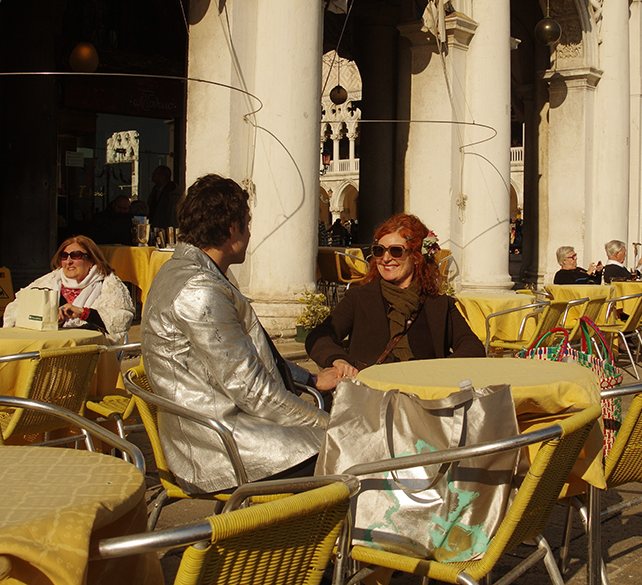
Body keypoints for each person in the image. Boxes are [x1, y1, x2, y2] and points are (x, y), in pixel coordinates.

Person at [141, 174, 332, 494]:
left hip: (220, 427)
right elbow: (253, 391)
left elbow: (248, 359)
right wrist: (329, 425)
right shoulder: (200, 289)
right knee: (361, 455)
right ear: (233, 228)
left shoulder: (182, 270)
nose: (249, 231)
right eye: (247, 222)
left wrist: (310, 380)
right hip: (220, 449)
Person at [306, 213, 484, 375]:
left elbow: (472, 346)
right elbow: (319, 336)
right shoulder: (359, 298)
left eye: (396, 251)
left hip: (424, 397)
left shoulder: (440, 304)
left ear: (416, 257)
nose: (385, 258)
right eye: (379, 250)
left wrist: (437, 373)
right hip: (372, 396)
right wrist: (338, 360)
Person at [3, 235, 134, 344]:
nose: (69, 261)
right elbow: (14, 311)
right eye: (64, 256)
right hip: (47, 348)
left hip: (90, 352)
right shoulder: (47, 282)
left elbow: (122, 319)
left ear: (91, 260)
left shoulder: (109, 284)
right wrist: (48, 318)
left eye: (76, 255)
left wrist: (84, 313)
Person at [146, 165, 179, 231]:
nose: (153, 175)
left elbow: (172, 217)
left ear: (163, 176)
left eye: (156, 173)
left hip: (166, 230)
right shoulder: (155, 190)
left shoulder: (173, 195)